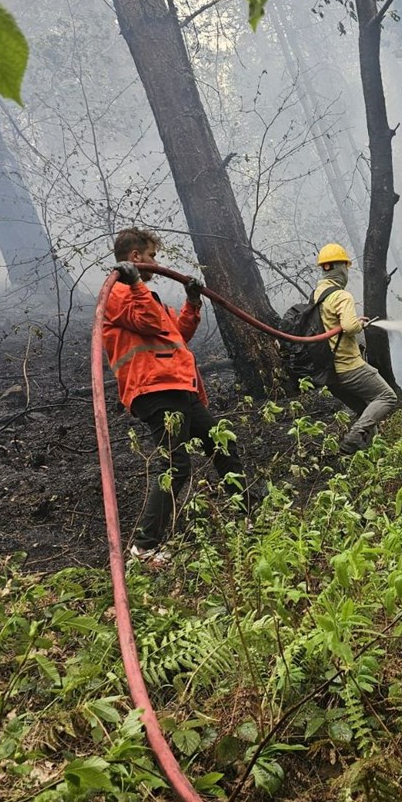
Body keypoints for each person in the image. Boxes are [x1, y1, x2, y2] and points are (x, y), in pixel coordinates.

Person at [104, 228, 261, 561]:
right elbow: (148, 322)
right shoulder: (118, 293)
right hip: (155, 389)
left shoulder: (145, 296)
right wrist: (135, 284)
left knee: (221, 443)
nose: (155, 262)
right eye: (151, 256)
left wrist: (192, 302)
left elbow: (177, 333)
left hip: (179, 388)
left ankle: (251, 516)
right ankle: (145, 547)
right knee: (175, 465)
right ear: (135, 257)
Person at [314, 243, 397, 454]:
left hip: (329, 372)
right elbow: (350, 327)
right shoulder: (342, 296)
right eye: (346, 266)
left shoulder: (318, 294)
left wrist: (352, 323)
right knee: (387, 397)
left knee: (366, 410)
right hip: (349, 367)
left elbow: (333, 324)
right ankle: (352, 439)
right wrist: (359, 324)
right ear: (341, 267)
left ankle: (372, 454)